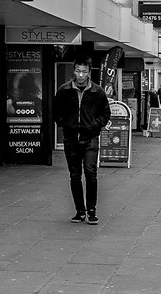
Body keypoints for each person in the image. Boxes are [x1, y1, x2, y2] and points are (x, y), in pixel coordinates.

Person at [54, 57, 111, 225]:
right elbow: (57, 111)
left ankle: (91, 210)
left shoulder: (97, 91)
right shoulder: (64, 90)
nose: (80, 75)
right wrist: (65, 124)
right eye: (78, 71)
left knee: (90, 172)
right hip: (71, 138)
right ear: (74, 71)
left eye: (84, 72)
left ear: (89, 72)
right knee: (74, 175)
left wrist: (95, 125)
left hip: (90, 137)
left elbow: (105, 113)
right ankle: (80, 211)